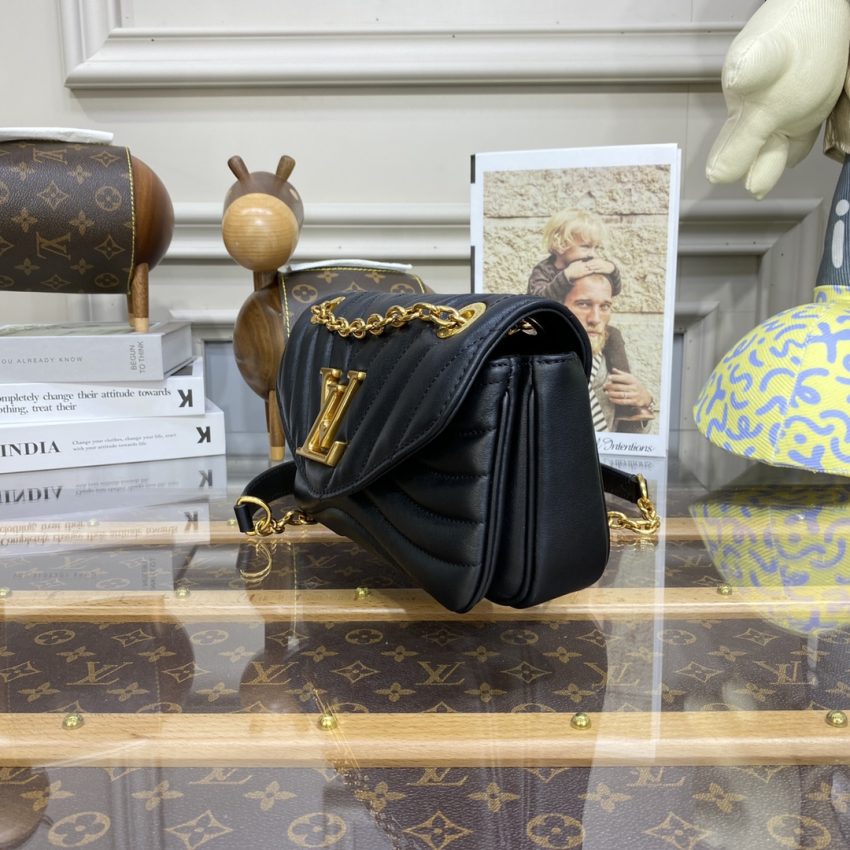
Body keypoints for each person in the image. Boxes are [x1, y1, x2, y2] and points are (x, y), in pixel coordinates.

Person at [560, 272, 654, 433]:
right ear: (559, 307)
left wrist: (644, 402)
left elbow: (634, 440)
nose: (595, 319)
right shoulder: (536, 365)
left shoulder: (616, 364)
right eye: (584, 304)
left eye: (604, 307)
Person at [527, 208, 621, 303]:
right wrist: (566, 276)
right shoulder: (544, 270)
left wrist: (612, 270)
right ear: (561, 244)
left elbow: (614, 291)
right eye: (586, 247)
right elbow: (536, 300)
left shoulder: (589, 266)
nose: (593, 254)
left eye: (596, 248)